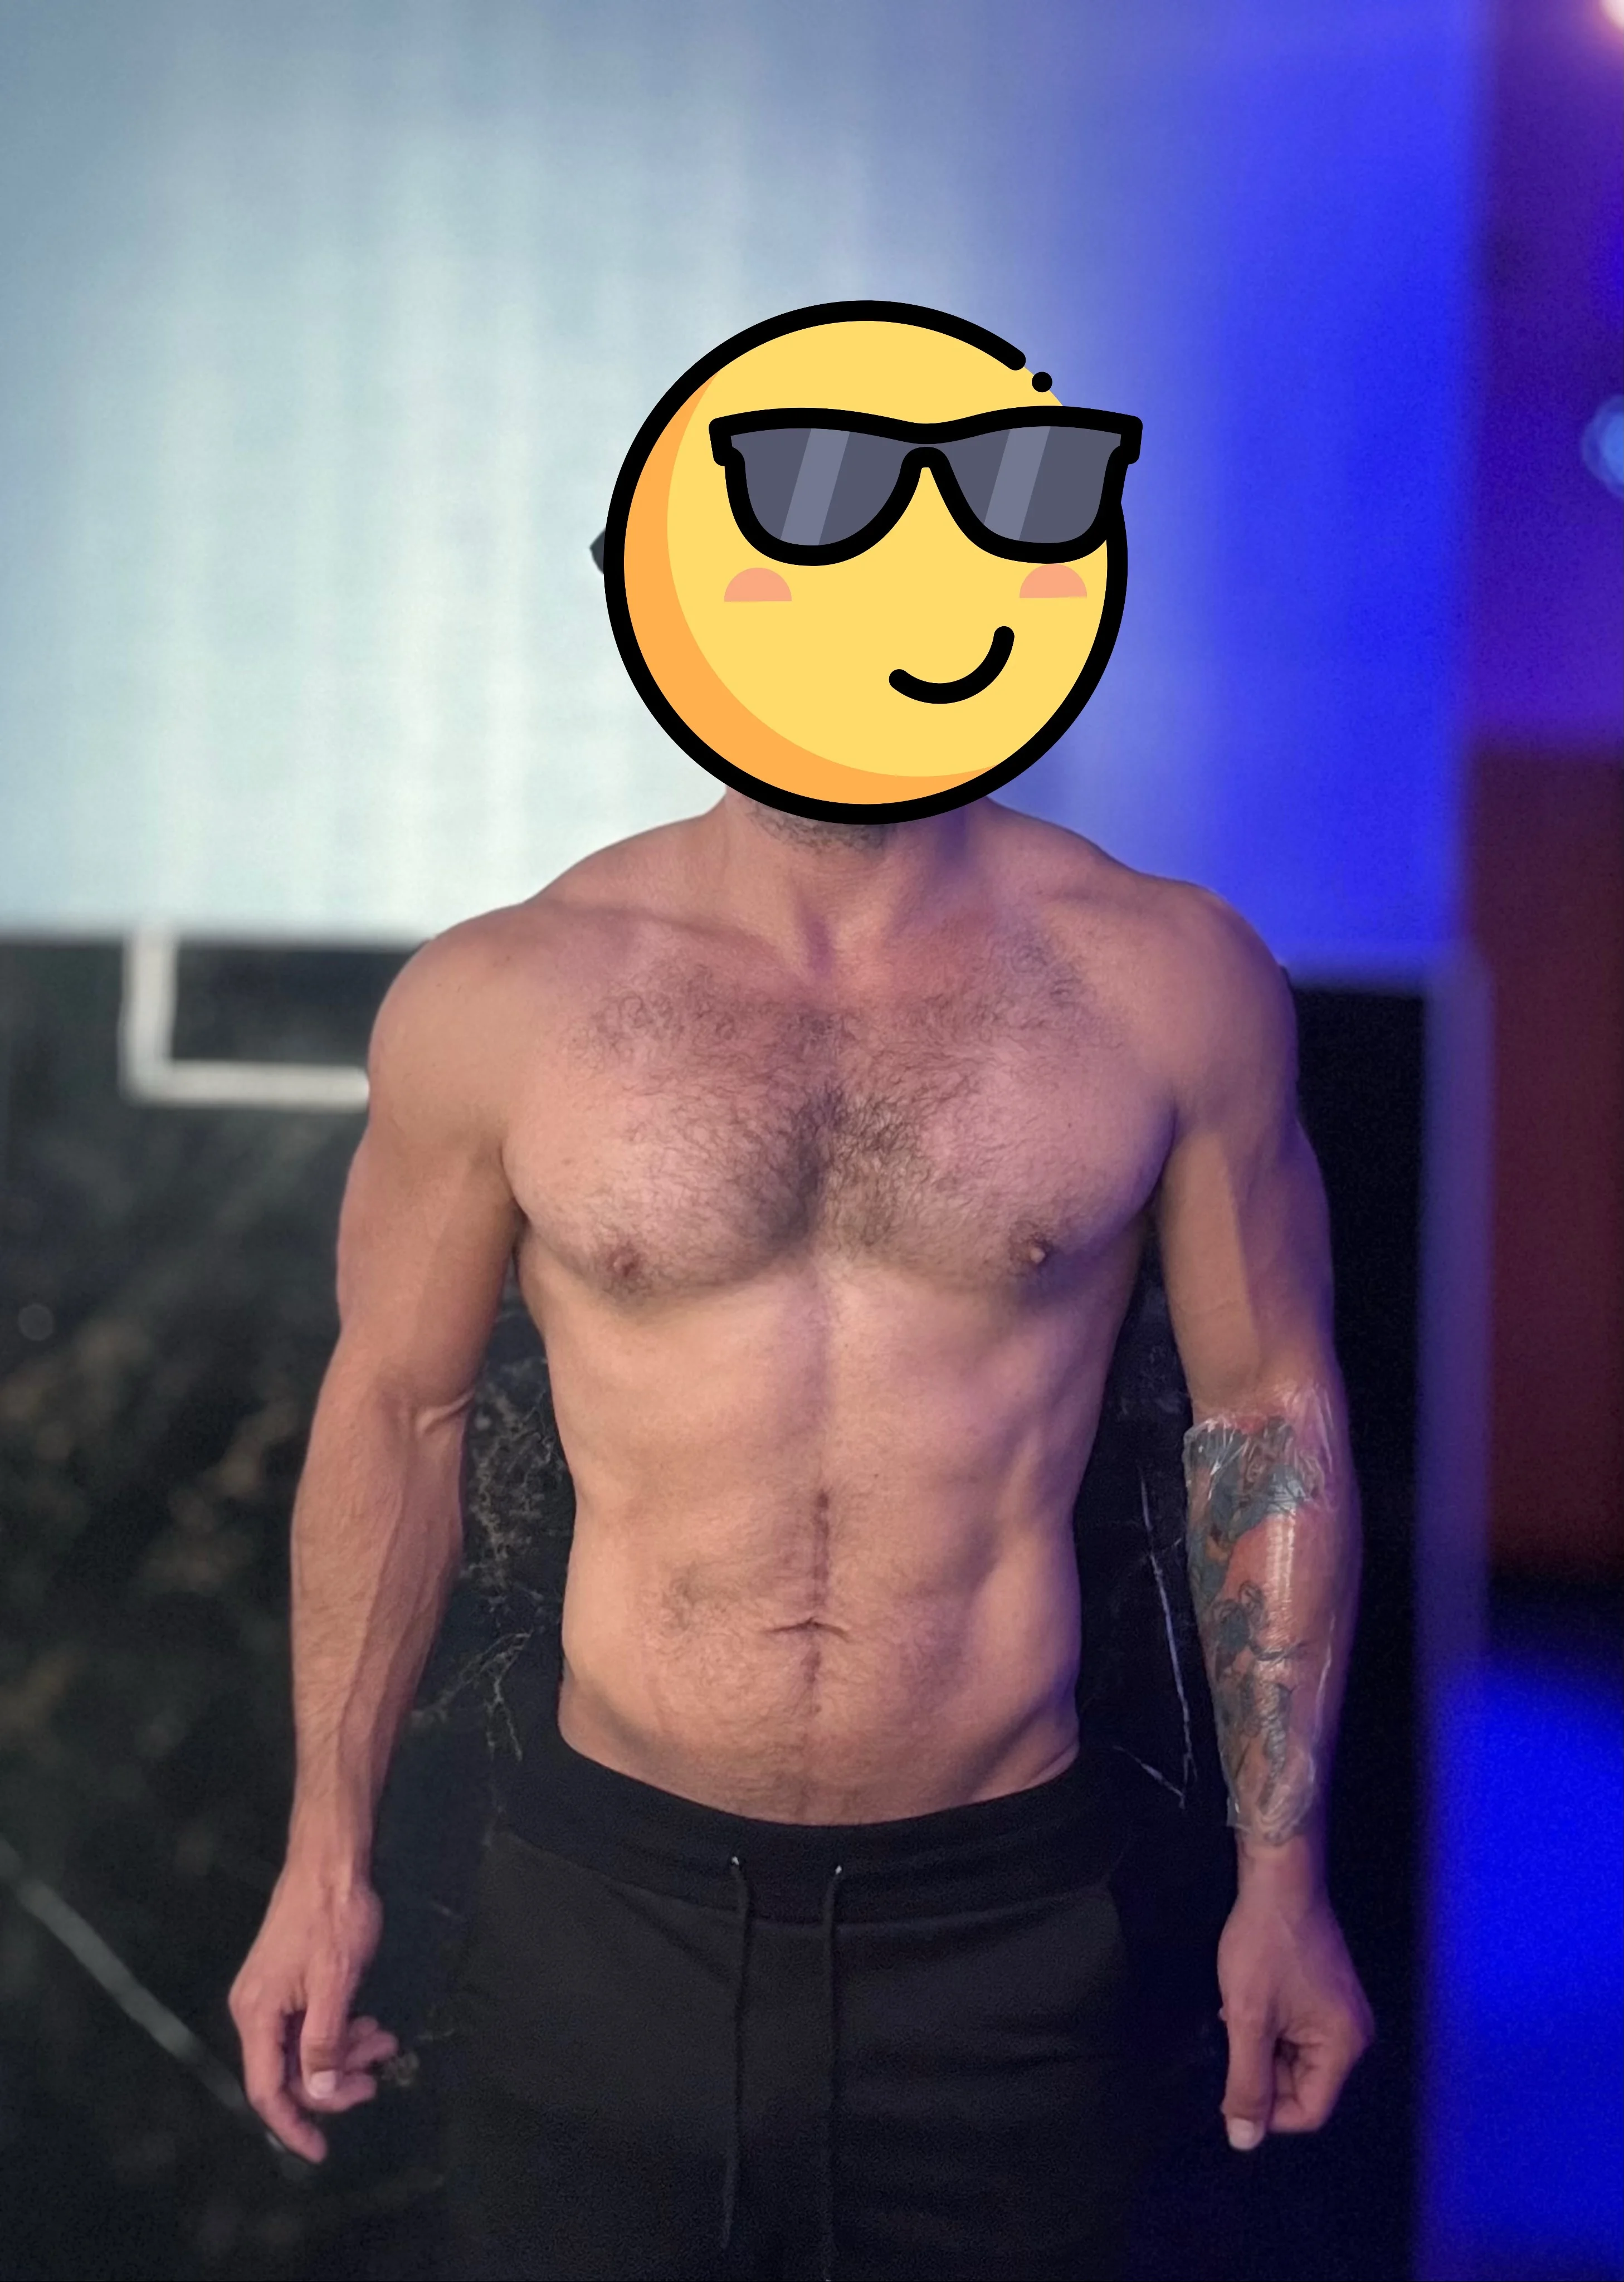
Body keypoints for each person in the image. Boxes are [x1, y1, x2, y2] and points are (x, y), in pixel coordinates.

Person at [228, 787, 1373, 2280]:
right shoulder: (505, 995)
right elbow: (396, 1414)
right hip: (609, 1916)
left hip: (1001, 1929)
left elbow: (1268, 1420)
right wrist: (323, 1862)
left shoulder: (1163, 977)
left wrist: (1284, 1884)